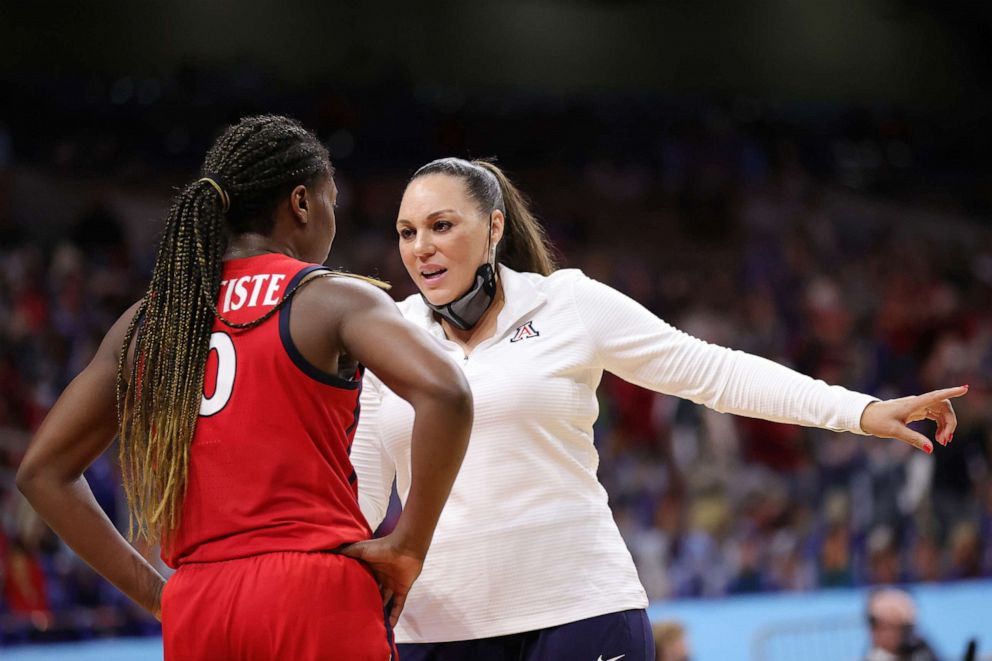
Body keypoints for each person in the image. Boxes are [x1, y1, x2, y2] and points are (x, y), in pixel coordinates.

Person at [351, 157, 967, 661]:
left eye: (441, 226)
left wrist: (859, 411)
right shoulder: (390, 333)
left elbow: (713, 371)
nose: (421, 248)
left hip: (579, 612)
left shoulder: (568, 304)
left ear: (492, 227)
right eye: (407, 232)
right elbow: (362, 483)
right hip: (435, 628)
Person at [15, 116, 473, 660]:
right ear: (301, 202)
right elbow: (448, 394)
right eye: (332, 202)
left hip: (200, 604)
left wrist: (160, 598)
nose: (333, 220)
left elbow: (42, 472)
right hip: (312, 593)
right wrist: (409, 546)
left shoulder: (154, 320)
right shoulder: (330, 297)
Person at [864, 588, 938, 661]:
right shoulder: (873, 654)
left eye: (889, 627)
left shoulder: (922, 655)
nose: (875, 632)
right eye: (873, 625)